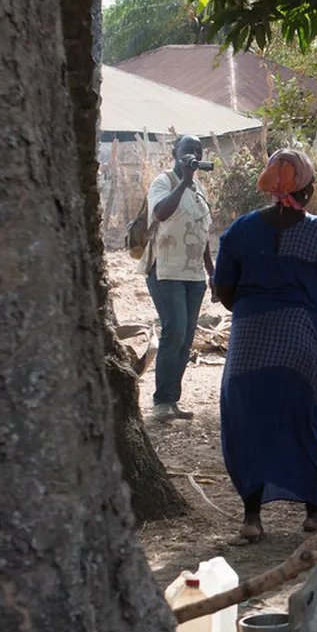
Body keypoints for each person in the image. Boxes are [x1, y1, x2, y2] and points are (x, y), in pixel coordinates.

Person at [213, 149, 317, 539]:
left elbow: (223, 289)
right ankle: (312, 514)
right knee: (305, 422)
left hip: (249, 344)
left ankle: (252, 518)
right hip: (302, 342)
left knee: (249, 424)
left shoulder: (240, 230)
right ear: (309, 190)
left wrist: (253, 313)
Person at [140, 135, 216, 420]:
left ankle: (172, 400)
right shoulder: (164, 182)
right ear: (175, 153)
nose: (193, 155)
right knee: (175, 331)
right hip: (165, 271)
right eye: (187, 150)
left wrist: (211, 272)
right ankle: (161, 401)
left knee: (185, 338)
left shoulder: (200, 189)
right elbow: (160, 213)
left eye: (197, 151)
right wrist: (184, 180)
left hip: (194, 275)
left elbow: (202, 232)